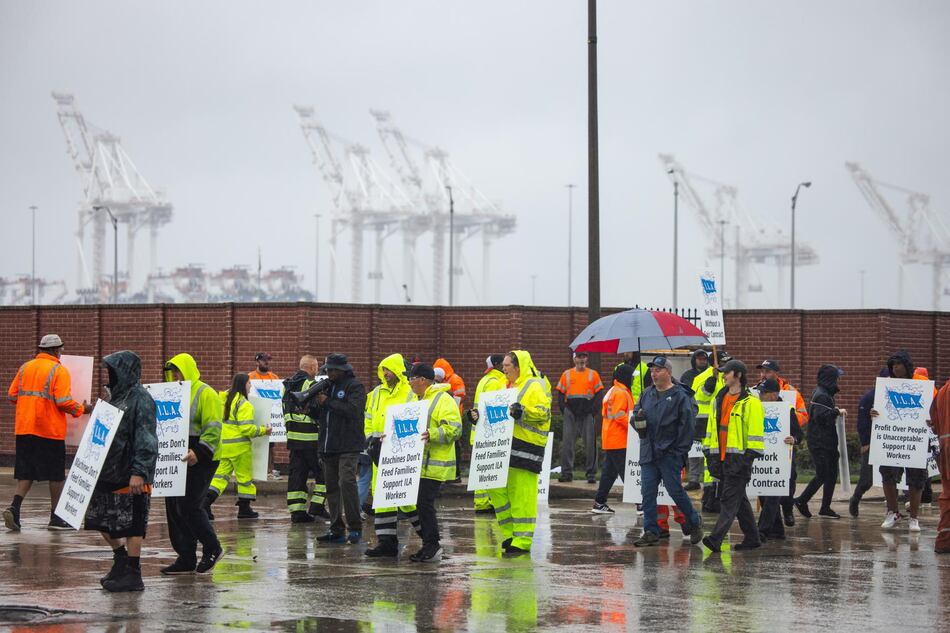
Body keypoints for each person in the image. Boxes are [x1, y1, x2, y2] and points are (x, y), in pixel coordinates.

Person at [84, 351, 158, 592]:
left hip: (130, 472)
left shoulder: (141, 399)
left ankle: (133, 573)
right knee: (99, 519)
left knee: (132, 523)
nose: (110, 374)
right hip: (107, 470)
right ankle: (120, 560)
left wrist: (140, 471)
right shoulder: (114, 397)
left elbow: (146, 438)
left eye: (114, 370)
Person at [4, 334, 90, 532]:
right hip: (49, 430)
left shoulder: (25, 367)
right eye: (60, 349)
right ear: (55, 350)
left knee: (26, 472)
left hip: (25, 428)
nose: (60, 353)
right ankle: (56, 517)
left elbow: (12, 395)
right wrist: (82, 409)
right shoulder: (59, 370)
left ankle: (14, 508)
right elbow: (62, 401)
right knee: (56, 475)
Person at [161, 353, 224, 575]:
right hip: (175, 454)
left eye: (178, 371)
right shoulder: (169, 393)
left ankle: (212, 547)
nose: (175, 376)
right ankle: (186, 557)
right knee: (174, 508)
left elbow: (214, 427)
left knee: (189, 505)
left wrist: (200, 452)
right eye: (172, 372)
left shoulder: (205, 392)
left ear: (188, 369)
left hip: (202, 456)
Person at [631, 355, 703, 547]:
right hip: (649, 452)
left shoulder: (680, 396)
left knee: (675, 491)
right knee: (647, 492)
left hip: (670, 454)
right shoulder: (646, 394)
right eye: (652, 370)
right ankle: (651, 531)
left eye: (658, 370)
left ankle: (694, 521)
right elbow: (635, 420)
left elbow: (687, 426)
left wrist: (679, 451)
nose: (654, 374)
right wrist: (638, 420)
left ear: (668, 372)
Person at [489, 350, 551, 555]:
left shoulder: (534, 385)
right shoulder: (503, 386)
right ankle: (510, 533)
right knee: (498, 491)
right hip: (503, 448)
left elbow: (544, 413)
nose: (503, 368)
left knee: (522, 494)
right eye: (504, 365)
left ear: (518, 366)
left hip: (526, 448)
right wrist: (478, 415)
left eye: (507, 365)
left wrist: (522, 412)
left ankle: (522, 540)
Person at [701, 359, 765, 551]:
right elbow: (712, 430)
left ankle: (715, 539)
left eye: (726, 373)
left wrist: (747, 459)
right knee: (740, 501)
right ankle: (753, 538)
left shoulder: (751, 402)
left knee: (728, 500)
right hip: (721, 459)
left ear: (737, 375)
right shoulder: (718, 399)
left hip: (739, 461)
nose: (723, 376)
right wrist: (708, 452)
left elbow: (755, 435)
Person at [364, 353, 422, 558]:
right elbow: (368, 418)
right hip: (378, 451)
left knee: (408, 499)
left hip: (401, 453)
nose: (386, 373)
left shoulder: (409, 392)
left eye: (389, 369)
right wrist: (370, 437)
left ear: (398, 370)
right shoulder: (376, 393)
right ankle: (386, 544)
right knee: (383, 498)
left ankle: (429, 539)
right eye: (383, 370)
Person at [406, 363, 463, 562]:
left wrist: (433, 434)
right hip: (416, 464)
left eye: (411, 378)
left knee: (424, 503)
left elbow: (455, 429)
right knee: (418, 504)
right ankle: (429, 544)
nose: (409, 382)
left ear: (422, 379)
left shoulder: (443, 400)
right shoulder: (414, 398)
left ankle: (432, 545)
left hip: (434, 464)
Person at [315, 353, 366, 545]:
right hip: (328, 446)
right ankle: (336, 529)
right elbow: (322, 414)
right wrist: (310, 407)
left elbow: (353, 411)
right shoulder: (327, 386)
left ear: (341, 370)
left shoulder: (355, 386)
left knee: (347, 483)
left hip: (348, 445)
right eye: (327, 370)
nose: (328, 373)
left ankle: (355, 528)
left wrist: (327, 401)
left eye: (331, 370)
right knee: (332, 488)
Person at [205, 373, 269, 520]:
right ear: (243, 385)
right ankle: (244, 509)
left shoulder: (222, 399)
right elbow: (247, 429)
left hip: (223, 447)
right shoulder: (244, 404)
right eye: (249, 383)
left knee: (219, 478)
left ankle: (205, 503)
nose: (250, 386)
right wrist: (264, 430)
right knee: (244, 479)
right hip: (240, 448)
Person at [875, 351, 927, 531]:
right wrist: (874, 413)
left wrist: (931, 418)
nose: (896, 367)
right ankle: (893, 512)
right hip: (892, 439)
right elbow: (878, 409)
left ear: (907, 365)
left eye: (899, 364)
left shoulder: (922, 384)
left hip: (914, 439)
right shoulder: (885, 386)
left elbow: (933, 405)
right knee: (888, 474)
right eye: (893, 364)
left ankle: (914, 517)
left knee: (916, 478)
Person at [754, 359, 809, 526]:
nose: (763, 374)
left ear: (776, 373)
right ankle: (773, 525)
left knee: (788, 481)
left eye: (767, 371)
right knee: (765, 486)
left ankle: (787, 510)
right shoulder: (754, 392)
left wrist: (786, 424)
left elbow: (803, 415)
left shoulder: (790, 392)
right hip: (764, 451)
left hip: (783, 447)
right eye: (761, 371)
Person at [794, 364, 846, 519]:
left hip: (826, 442)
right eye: (837, 377)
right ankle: (801, 500)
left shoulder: (823, 393)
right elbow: (820, 417)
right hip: (820, 443)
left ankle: (825, 507)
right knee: (823, 474)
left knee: (831, 474)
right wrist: (836, 411)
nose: (838, 380)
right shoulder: (822, 395)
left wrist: (833, 410)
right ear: (830, 378)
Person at [283, 355, 328, 523]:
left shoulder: (287, 386)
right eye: (316, 367)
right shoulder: (310, 385)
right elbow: (317, 411)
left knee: (297, 476)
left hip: (294, 440)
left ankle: (297, 512)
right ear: (312, 367)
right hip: (312, 439)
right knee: (324, 475)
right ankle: (317, 508)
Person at [556, 352, 605, 484]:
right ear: (574, 359)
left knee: (590, 444)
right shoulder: (566, 374)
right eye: (579, 357)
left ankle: (591, 474)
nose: (581, 359)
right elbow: (560, 395)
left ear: (587, 359)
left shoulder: (593, 374)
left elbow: (599, 395)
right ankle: (566, 473)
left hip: (587, 412)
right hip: (570, 411)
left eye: (584, 357)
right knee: (567, 443)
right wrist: (565, 409)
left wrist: (592, 411)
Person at [591, 364, 634, 513]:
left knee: (609, 474)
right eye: (631, 376)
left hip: (611, 438)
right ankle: (640, 503)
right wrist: (634, 424)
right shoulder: (621, 393)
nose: (633, 379)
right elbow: (619, 415)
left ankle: (599, 502)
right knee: (626, 473)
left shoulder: (613, 391)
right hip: (619, 439)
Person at [691, 350, 730, 514]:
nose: (726, 366)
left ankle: (716, 498)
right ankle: (709, 499)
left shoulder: (727, 376)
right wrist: (711, 381)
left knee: (717, 465)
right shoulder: (703, 377)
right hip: (706, 427)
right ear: (715, 362)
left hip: (723, 427)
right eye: (723, 363)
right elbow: (699, 398)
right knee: (710, 466)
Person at [467, 354, 507, 513]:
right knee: (490, 469)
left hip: (478, 433)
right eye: (502, 364)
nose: (504, 367)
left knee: (482, 469)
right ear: (497, 365)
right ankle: (487, 503)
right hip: (488, 434)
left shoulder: (484, 380)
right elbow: (494, 409)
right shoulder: (496, 383)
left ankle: (481, 502)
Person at [849, 368, 888, 517]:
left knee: (893, 477)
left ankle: (893, 508)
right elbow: (862, 422)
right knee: (867, 478)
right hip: (872, 442)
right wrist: (865, 442)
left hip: (890, 443)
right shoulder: (869, 397)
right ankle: (855, 498)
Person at [679, 349, 709, 491]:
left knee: (706, 450)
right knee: (693, 450)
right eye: (699, 359)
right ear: (694, 360)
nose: (702, 361)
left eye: (704, 359)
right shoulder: (687, 376)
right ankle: (694, 479)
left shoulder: (711, 374)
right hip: (693, 417)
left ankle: (707, 478)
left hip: (708, 418)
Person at [434, 358, 466, 483]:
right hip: (449, 416)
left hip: (454, 416)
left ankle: (455, 475)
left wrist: (448, 397)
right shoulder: (447, 380)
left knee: (455, 446)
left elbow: (460, 396)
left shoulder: (454, 379)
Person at [930, 377, 950, 554]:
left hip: (945, 448)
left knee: (948, 494)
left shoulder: (943, 391)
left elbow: (934, 424)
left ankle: (944, 541)